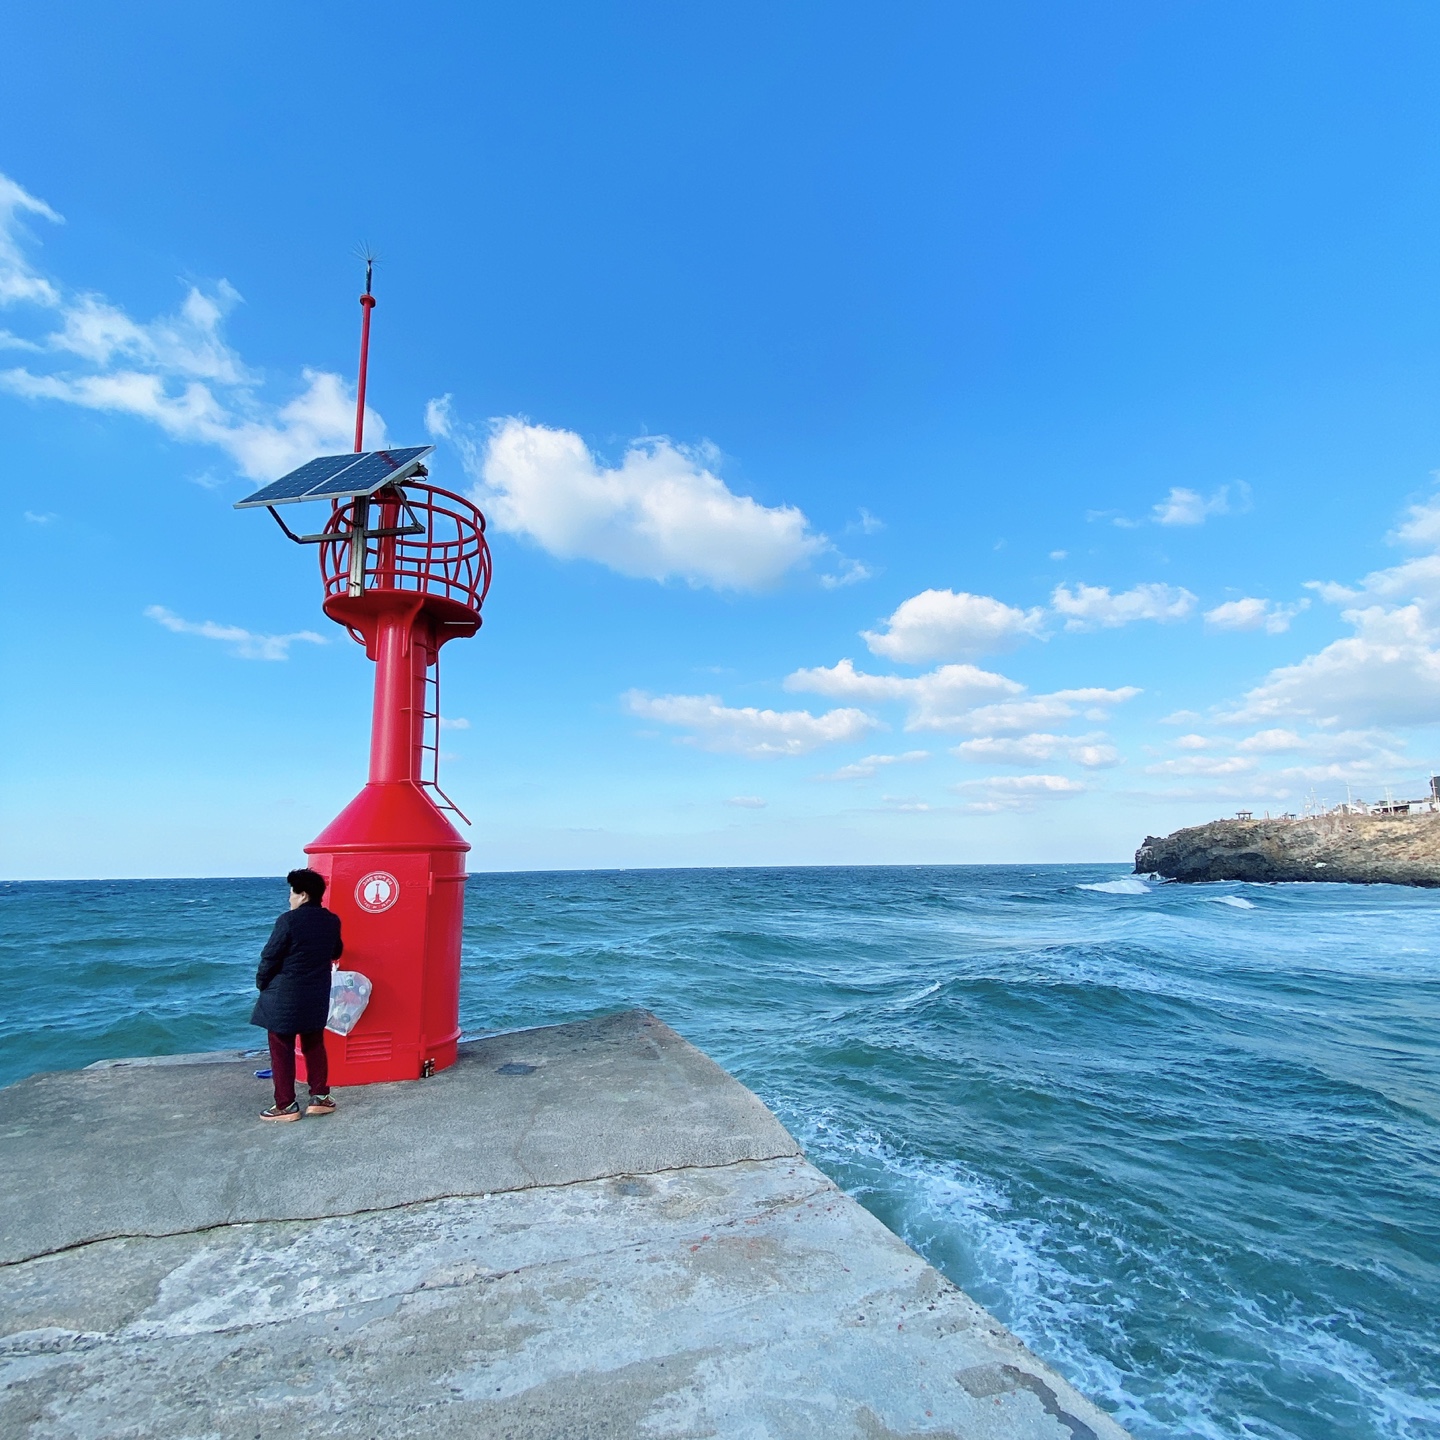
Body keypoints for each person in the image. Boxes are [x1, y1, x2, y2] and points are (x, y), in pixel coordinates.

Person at [252, 867, 344, 1122]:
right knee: (314, 1043)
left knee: (281, 1048)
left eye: (292, 893)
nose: (290, 898)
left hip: (284, 996)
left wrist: (262, 984)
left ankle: (285, 1105)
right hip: (316, 993)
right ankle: (320, 1097)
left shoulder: (288, 921)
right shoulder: (332, 920)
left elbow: (270, 956)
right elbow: (336, 951)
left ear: (303, 895)